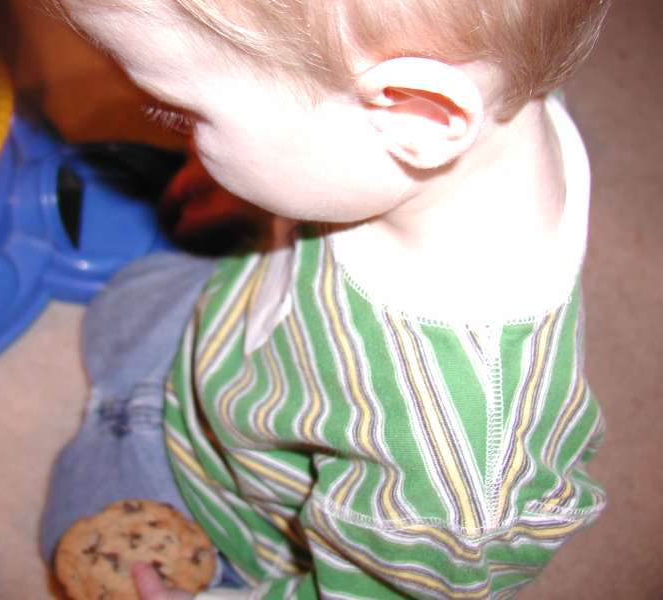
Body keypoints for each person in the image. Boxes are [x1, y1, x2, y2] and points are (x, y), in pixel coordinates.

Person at [40, 0, 612, 597]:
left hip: (232, 503)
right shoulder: (476, 91)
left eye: (181, 115)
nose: (178, 135)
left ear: (414, 114)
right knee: (127, 302)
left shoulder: (459, 458)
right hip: (244, 335)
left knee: (71, 536)